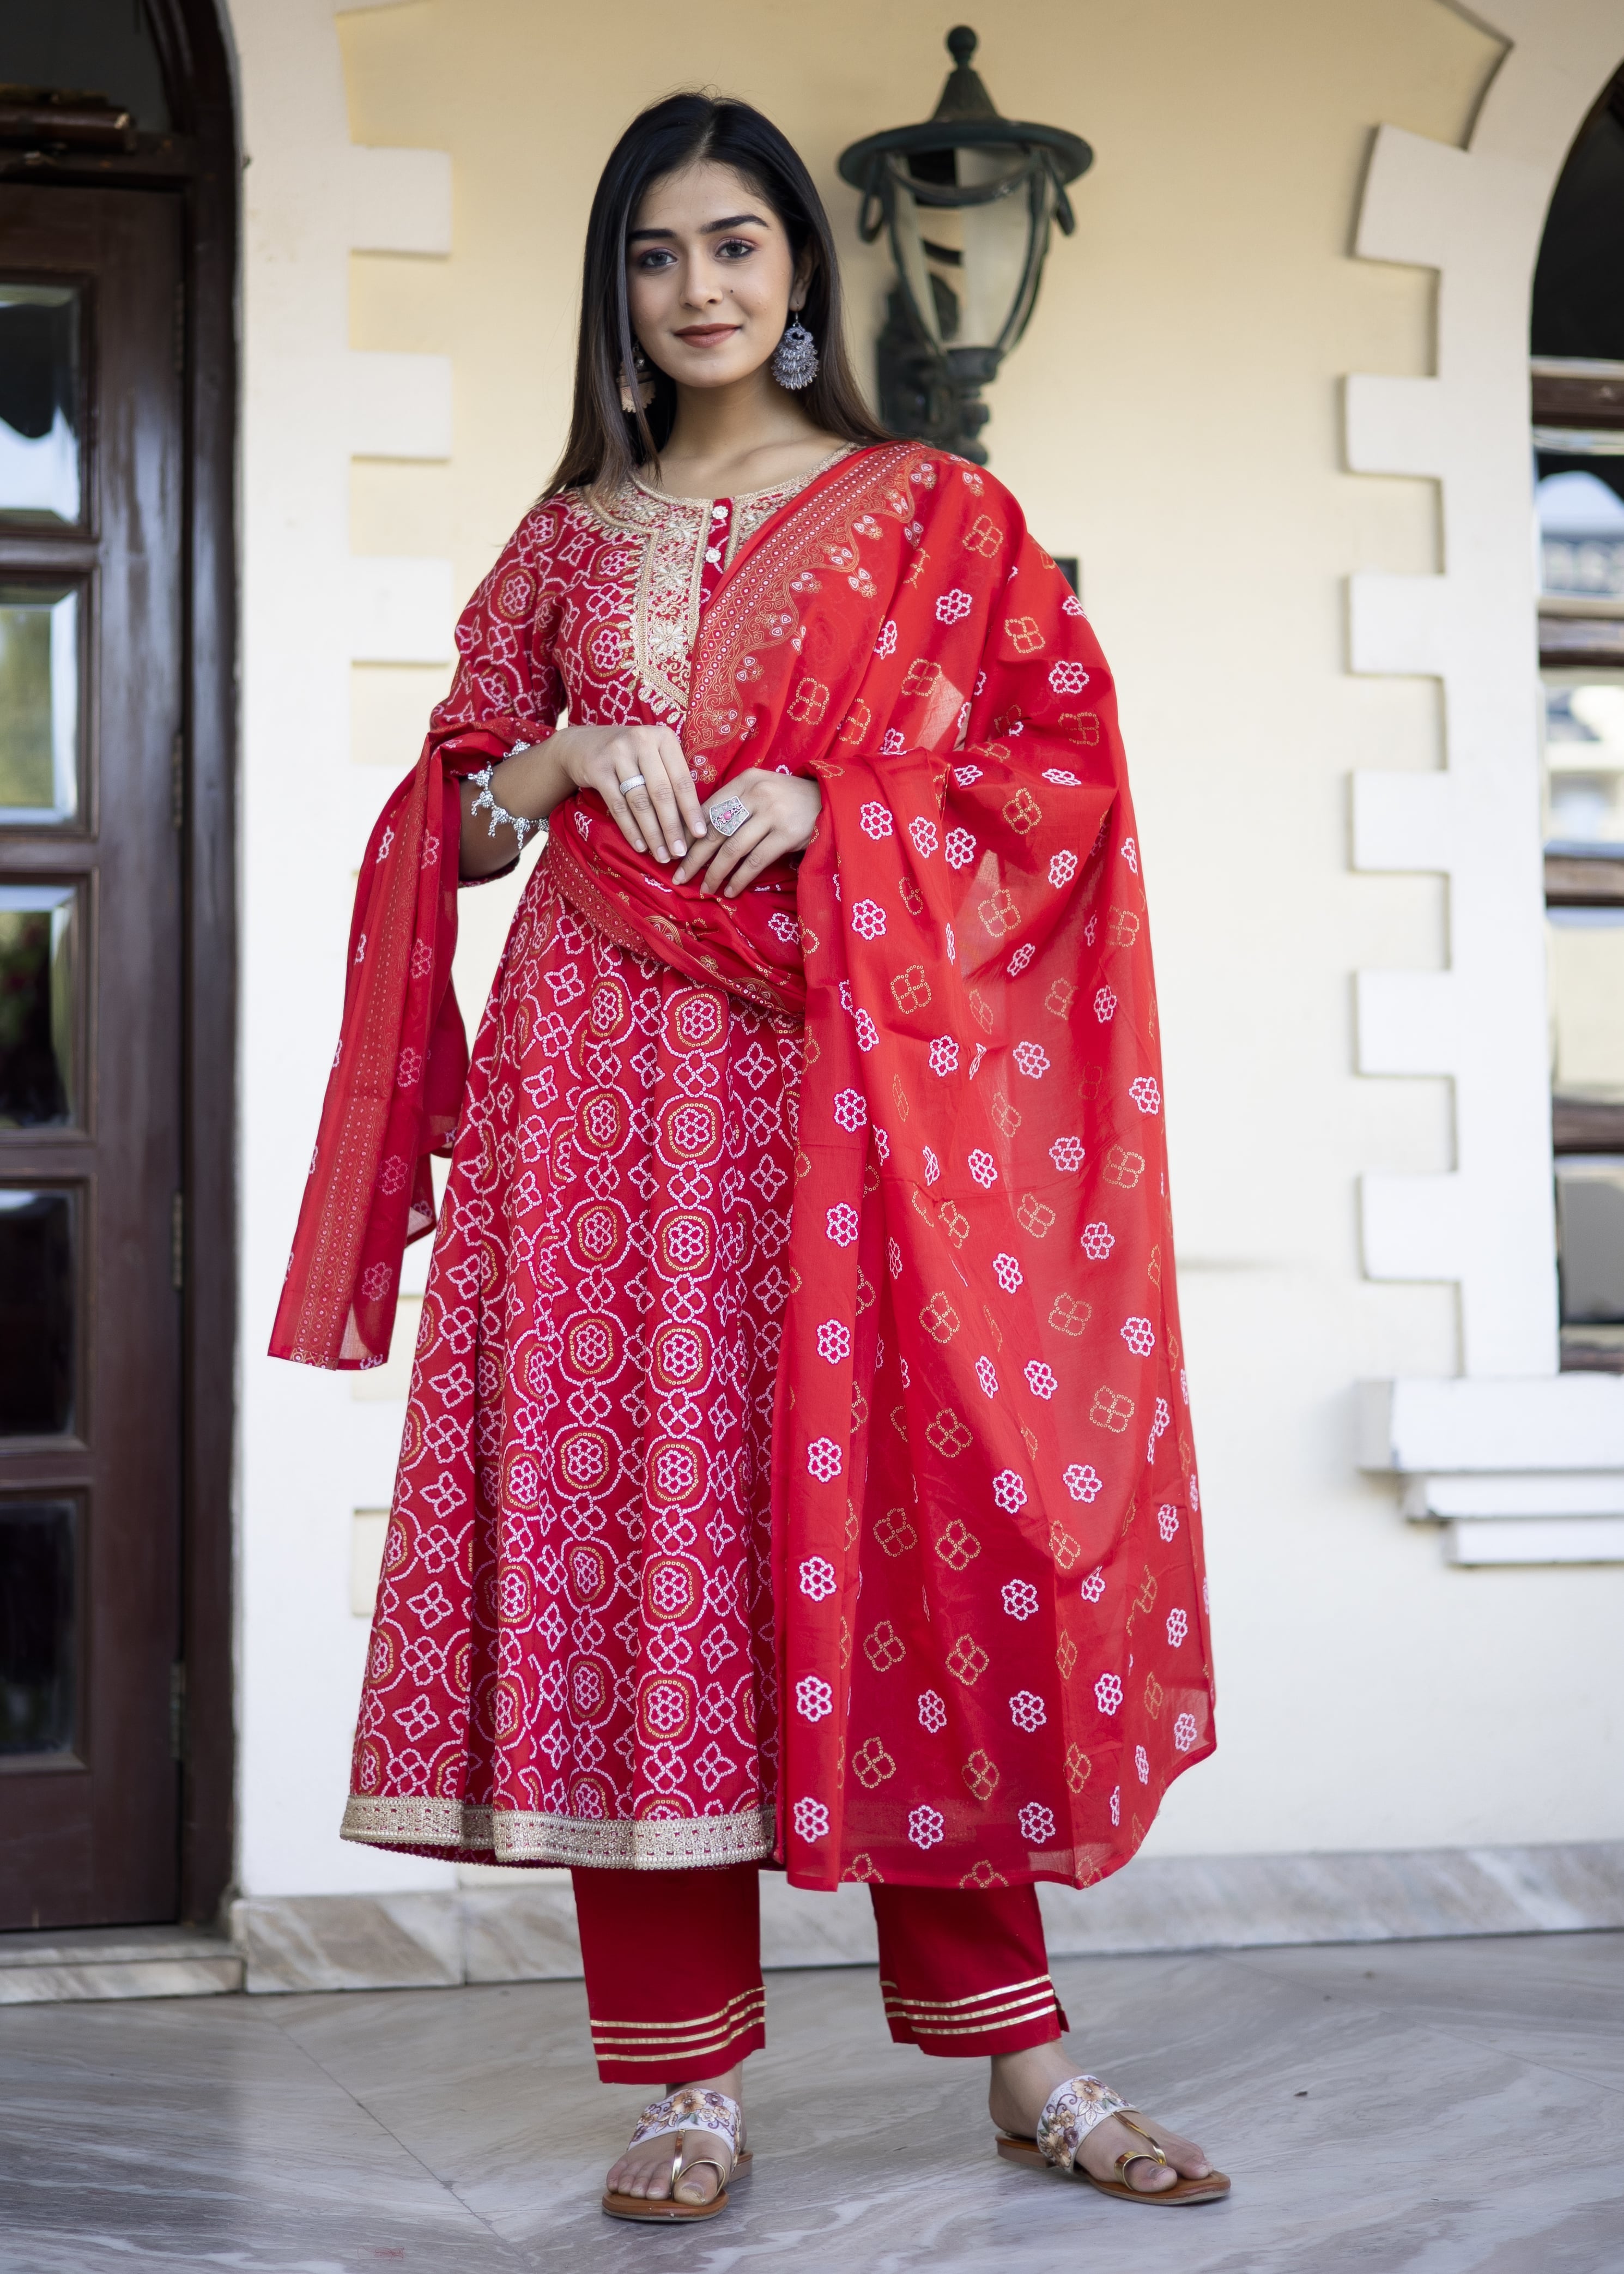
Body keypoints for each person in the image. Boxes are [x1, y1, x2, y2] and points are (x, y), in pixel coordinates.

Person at [274, 89, 1224, 2222]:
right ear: (614, 289)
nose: (694, 286)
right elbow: (459, 822)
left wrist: (837, 806)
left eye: (731, 244)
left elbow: (1062, 778)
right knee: (630, 1538)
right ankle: (686, 2083)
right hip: (595, 1097)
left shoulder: (934, 514)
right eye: (653, 252)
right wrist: (550, 754)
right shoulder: (564, 537)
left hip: (853, 1098)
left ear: (799, 268)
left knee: (914, 1523)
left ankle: (1023, 2060)